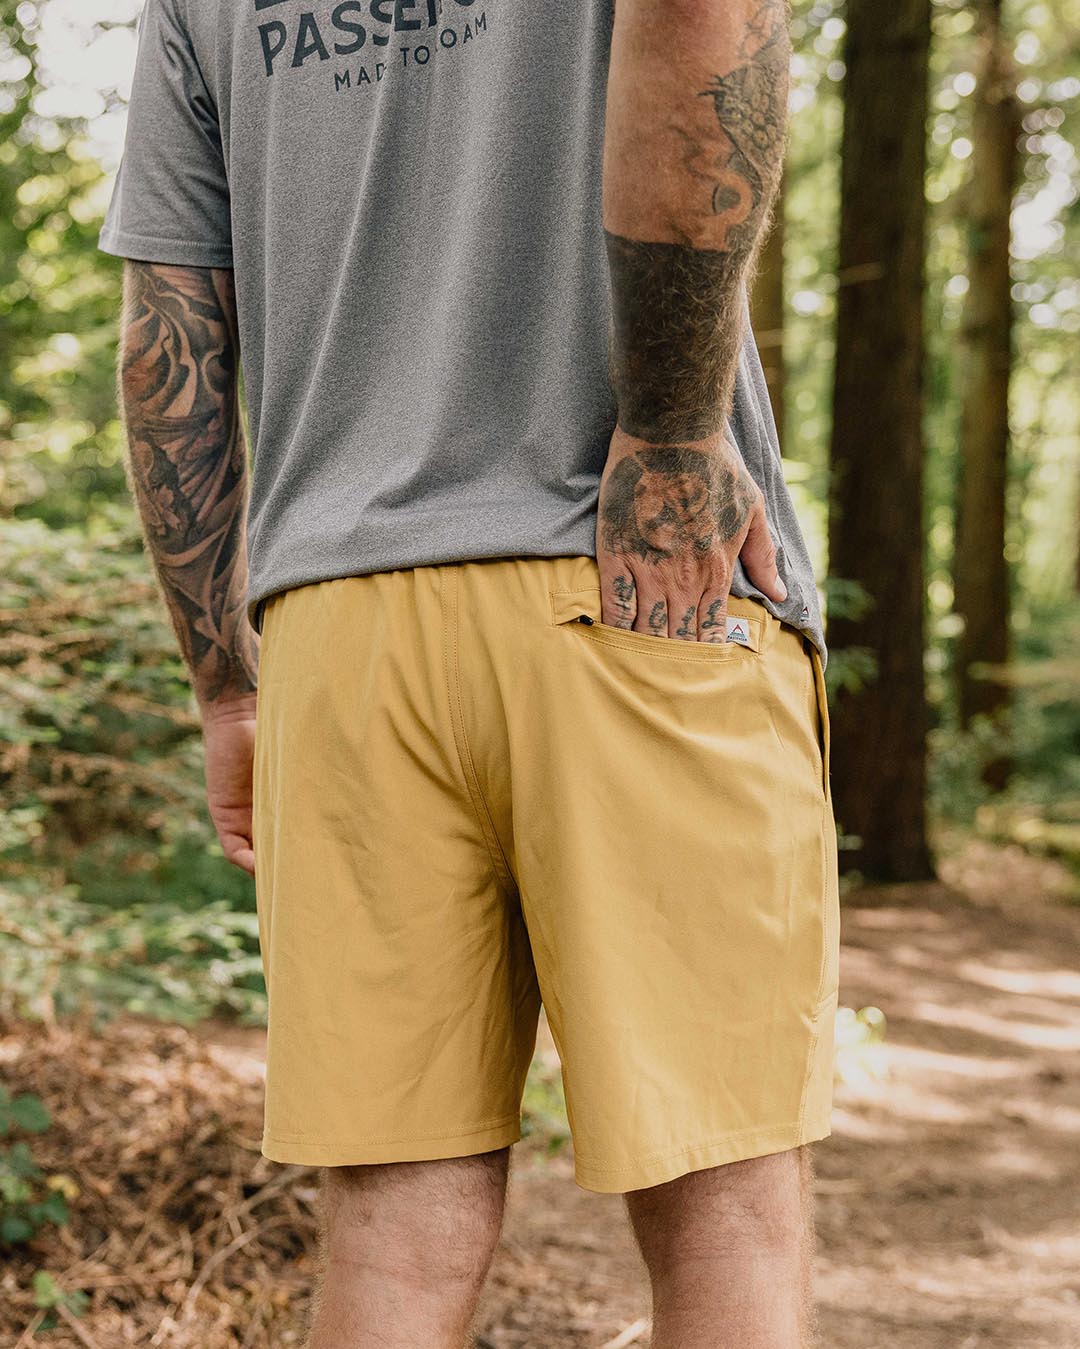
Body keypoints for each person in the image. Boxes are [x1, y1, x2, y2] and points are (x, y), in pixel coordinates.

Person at [100, 0, 840, 1343]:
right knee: (723, 1203)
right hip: (631, 578)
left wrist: (229, 680)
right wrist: (675, 434)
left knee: (390, 1234)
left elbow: (169, 335)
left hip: (339, 631)